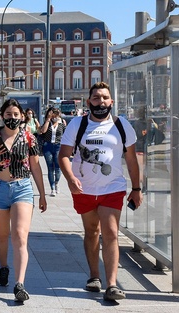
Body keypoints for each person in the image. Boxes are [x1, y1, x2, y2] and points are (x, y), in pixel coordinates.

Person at [58, 82, 143, 302]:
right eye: (96, 98)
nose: (101, 102)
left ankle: (112, 284)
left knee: (111, 232)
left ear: (111, 102)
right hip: (84, 189)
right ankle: (94, 277)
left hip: (112, 188)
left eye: (105, 98)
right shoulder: (77, 124)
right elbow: (64, 155)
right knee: (92, 231)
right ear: (89, 102)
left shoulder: (122, 125)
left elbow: (132, 160)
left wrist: (136, 188)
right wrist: (70, 179)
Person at [0, 99, 47, 302]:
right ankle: (3, 267)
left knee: (19, 235)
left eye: (16, 114)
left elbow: (35, 167)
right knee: (1, 236)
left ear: (22, 116)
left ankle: (20, 284)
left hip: (22, 188)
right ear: (2, 116)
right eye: (8, 114)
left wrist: (42, 194)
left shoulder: (29, 138)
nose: (12, 118)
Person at [38, 107, 66, 196]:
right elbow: (43, 131)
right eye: (53, 114)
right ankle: (52, 188)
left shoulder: (62, 123)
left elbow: (66, 135)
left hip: (58, 146)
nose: (55, 116)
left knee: (58, 167)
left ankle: (56, 182)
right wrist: (48, 119)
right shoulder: (48, 122)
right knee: (50, 168)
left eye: (56, 114)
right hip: (48, 146)